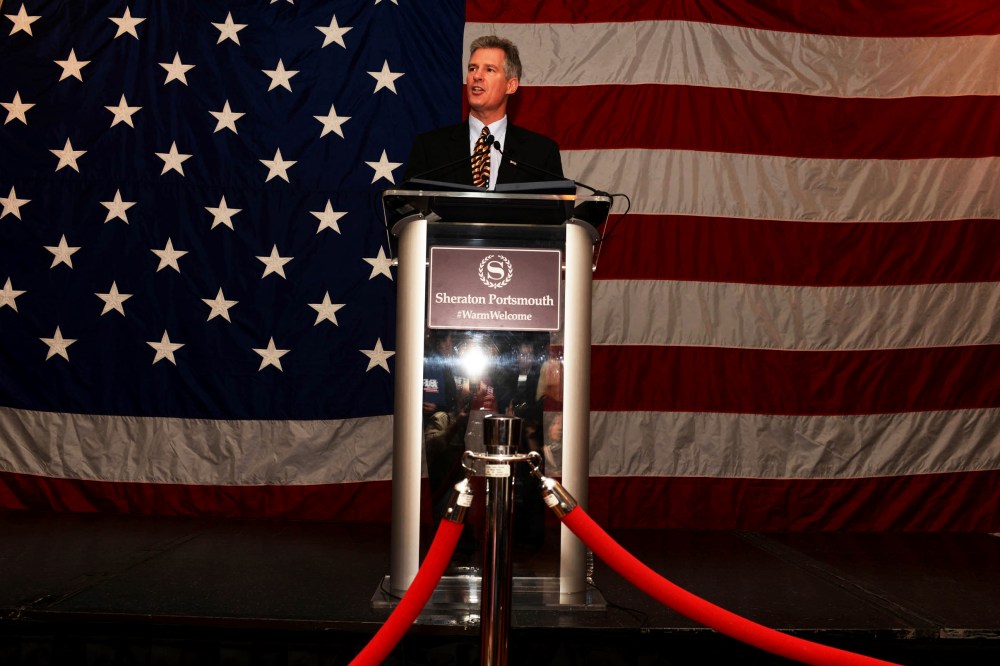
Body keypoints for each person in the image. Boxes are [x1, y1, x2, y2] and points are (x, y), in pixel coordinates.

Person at [404, 35, 564, 188]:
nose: (477, 76)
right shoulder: (430, 147)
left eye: (489, 70)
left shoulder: (541, 153)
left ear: (511, 86)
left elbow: (556, 212)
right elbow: (408, 210)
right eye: (472, 68)